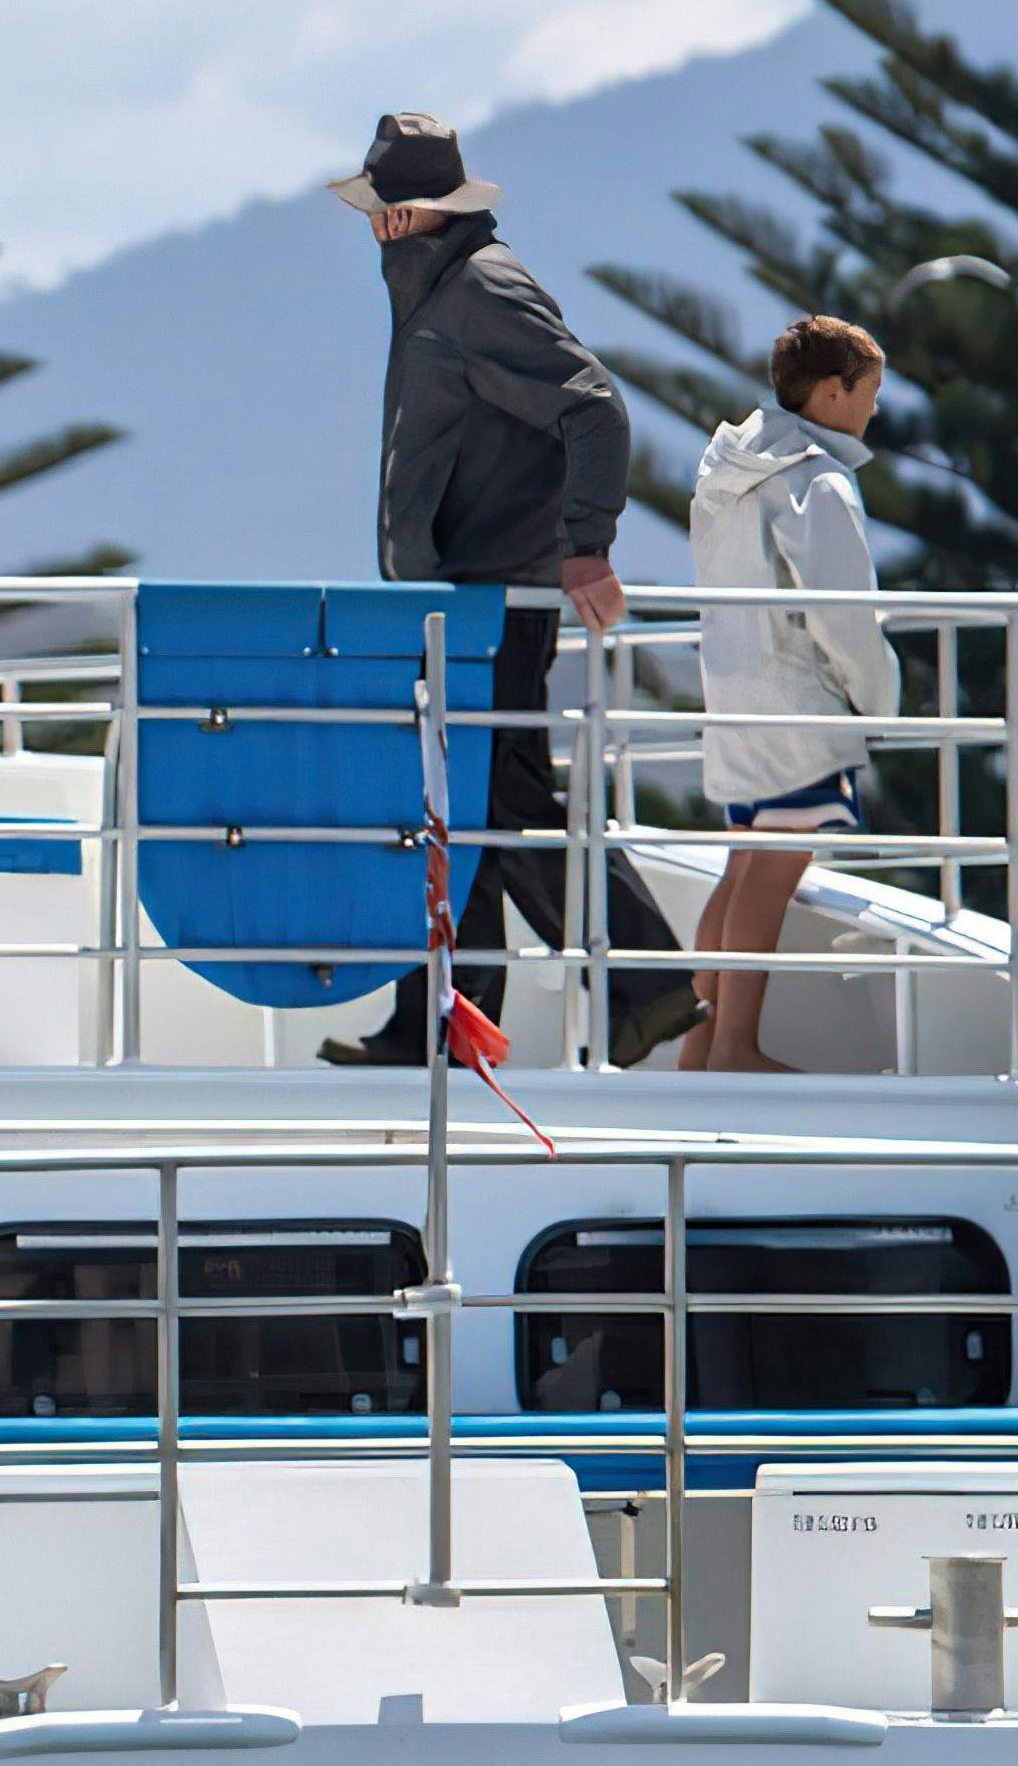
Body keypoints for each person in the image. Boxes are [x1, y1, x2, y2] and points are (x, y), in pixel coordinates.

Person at [344, 114, 633, 1065]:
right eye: (383, 208)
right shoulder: (437, 286)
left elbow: (594, 408)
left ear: (437, 210)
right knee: (462, 807)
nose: (386, 223)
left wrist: (586, 550)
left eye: (403, 208)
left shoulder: (480, 289)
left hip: (495, 608)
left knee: (487, 809)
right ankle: (441, 1025)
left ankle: (650, 984)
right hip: (455, 607)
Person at [680, 313, 896, 1070]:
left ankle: (701, 1043)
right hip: (795, 702)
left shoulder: (731, 467)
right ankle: (736, 1046)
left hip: (735, 693)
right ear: (833, 391)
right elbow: (846, 614)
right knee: (770, 873)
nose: (874, 409)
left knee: (742, 866)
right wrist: (878, 696)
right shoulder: (816, 479)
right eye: (869, 391)